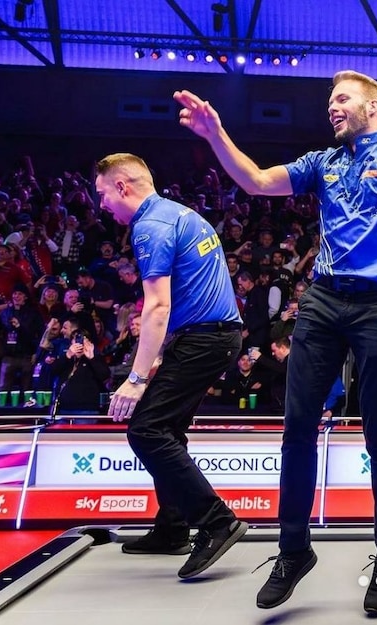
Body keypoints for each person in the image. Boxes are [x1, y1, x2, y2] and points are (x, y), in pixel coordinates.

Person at [174, 70, 377, 614]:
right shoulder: (324, 162)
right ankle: (293, 550)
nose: (332, 107)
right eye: (330, 100)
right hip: (321, 301)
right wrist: (215, 134)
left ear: (374, 109)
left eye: (342, 99)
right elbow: (256, 181)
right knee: (297, 430)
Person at [95, 153, 247, 580]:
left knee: (145, 430)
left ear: (123, 187)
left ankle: (218, 522)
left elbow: (157, 307)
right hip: (208, 335)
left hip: (204, 338)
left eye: (103, 194)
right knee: (167, 430)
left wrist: (136, 379)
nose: (103, 205)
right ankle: (171, 528)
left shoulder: (151, 225)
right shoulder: (180, 214)